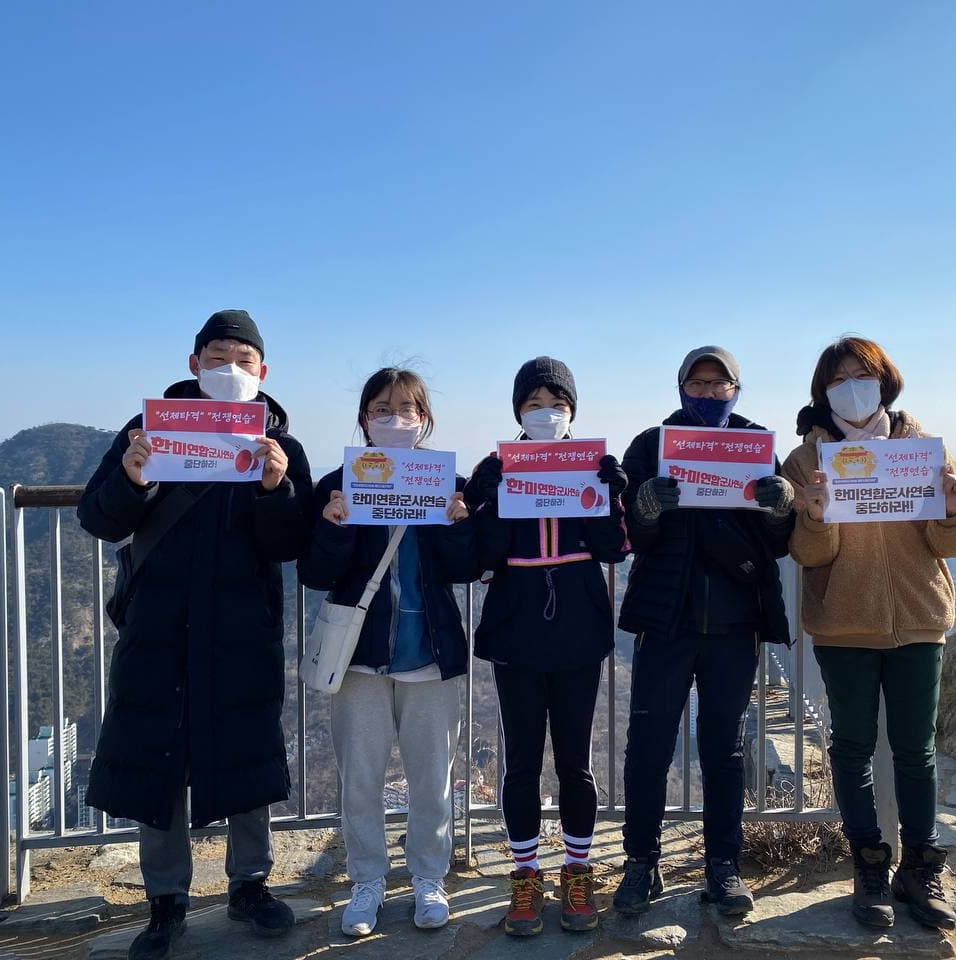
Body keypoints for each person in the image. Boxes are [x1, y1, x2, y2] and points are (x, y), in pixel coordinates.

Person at [78, 310, 313, 960]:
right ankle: (165, 901)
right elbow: (97, 518)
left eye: (243, 360)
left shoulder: (280, 447)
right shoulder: (149, 432)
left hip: (241, 628)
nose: (230, 370)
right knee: (158, 754)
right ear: (193, 364)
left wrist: (275, 489)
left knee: (247, 751)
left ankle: (250, 885)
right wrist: (131, 479)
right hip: (158, 625)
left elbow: (291, 544)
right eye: (217, 357)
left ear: (263, 372)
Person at [782, 336, 956, 931]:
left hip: (919, 618)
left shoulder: (923, 449)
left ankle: (920, 866)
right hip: (843, 624)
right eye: (838, 379)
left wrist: (953, 509)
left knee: (917, 750)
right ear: (824, 392)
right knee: (852, 747)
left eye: (862, 375)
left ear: (884, 381)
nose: (852, 388)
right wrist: (815, 515)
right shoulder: (805, 462)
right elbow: (808, 554)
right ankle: (868, 864)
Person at [611, 345, 795, 918]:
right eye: (698, 383)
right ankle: (641, 862)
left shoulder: (756, 444)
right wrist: (645, 505)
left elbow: (778, 541)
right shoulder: (651, 444)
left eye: (721, 384)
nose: (710, 393)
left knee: (724, 749)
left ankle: (723, 865)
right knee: (648, 748)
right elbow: (632, 536)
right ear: (680, 387)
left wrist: (780, 506)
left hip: (736, 622)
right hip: (667, 619)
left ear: (736, 389)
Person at [297, 367, 476, 937]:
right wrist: (334, 525)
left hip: (431, 653)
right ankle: (367, 882)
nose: (394, 419)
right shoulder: (338, 483)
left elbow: (467, 568)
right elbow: (315, 573)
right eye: (381, 409)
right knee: (361, 779)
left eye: (406, 409)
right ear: (364, 419)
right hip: (359, 657)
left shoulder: (448, 483)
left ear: (424, 420)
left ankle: (429, 878)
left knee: (433, 779)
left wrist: (457, 523)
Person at [463, 357, 629, 937]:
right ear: (518, 411)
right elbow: (482, 556)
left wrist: (611, 495)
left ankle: (578, 870)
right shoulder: (496, 467)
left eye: (556, 403)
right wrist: (485, 500)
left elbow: (614, 549)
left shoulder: (591, 465)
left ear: (572, 410)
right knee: (522, 762)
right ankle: (526, 875)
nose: (545, 413)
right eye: (533, 404)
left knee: (575, 762)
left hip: (578, 627)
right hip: (518, 629)